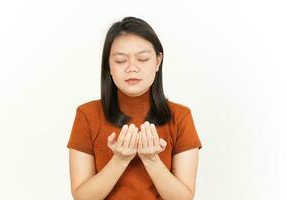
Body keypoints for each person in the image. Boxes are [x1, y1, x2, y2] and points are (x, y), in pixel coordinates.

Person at [66, 16, 202, 200]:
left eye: (143, 59)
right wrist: (119, 160)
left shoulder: (180, 116)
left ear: (158, 61)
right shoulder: (87, 115)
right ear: (109, 65)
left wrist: (152, 160)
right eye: (121, 60)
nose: (132, 68)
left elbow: (183, 197)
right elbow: (82, 197)